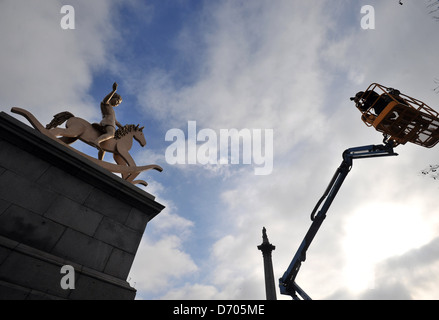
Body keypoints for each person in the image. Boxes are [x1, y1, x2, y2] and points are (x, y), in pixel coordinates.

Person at [92, 82, 123, 149]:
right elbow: (105, 100)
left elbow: (116, 121)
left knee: (106, 143)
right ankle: (96, 141)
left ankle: (100, 159)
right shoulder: (106, 104)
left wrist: (122, 127)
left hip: (111, 124)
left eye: (118, 104)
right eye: (117, 101)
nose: (117, 104)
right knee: (111, 134)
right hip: (107, 123)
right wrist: (113, 91)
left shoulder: (112, 110)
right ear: (112, 98)